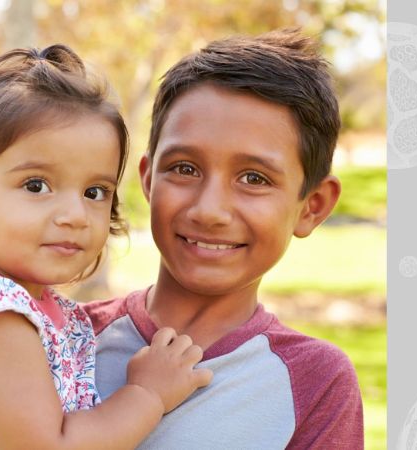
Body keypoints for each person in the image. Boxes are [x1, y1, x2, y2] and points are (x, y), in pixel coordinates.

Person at [0, 44, 212, 450]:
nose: (75, 214)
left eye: (94, 191)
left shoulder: (2, 303)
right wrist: (149, 394)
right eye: (36, 185)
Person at [85, 30, 365, 449]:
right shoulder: (64, 337)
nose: (209, 210)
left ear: (312, 206)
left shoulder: (317, 383)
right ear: (148, 179)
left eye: (254, 178)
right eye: (184, 169)